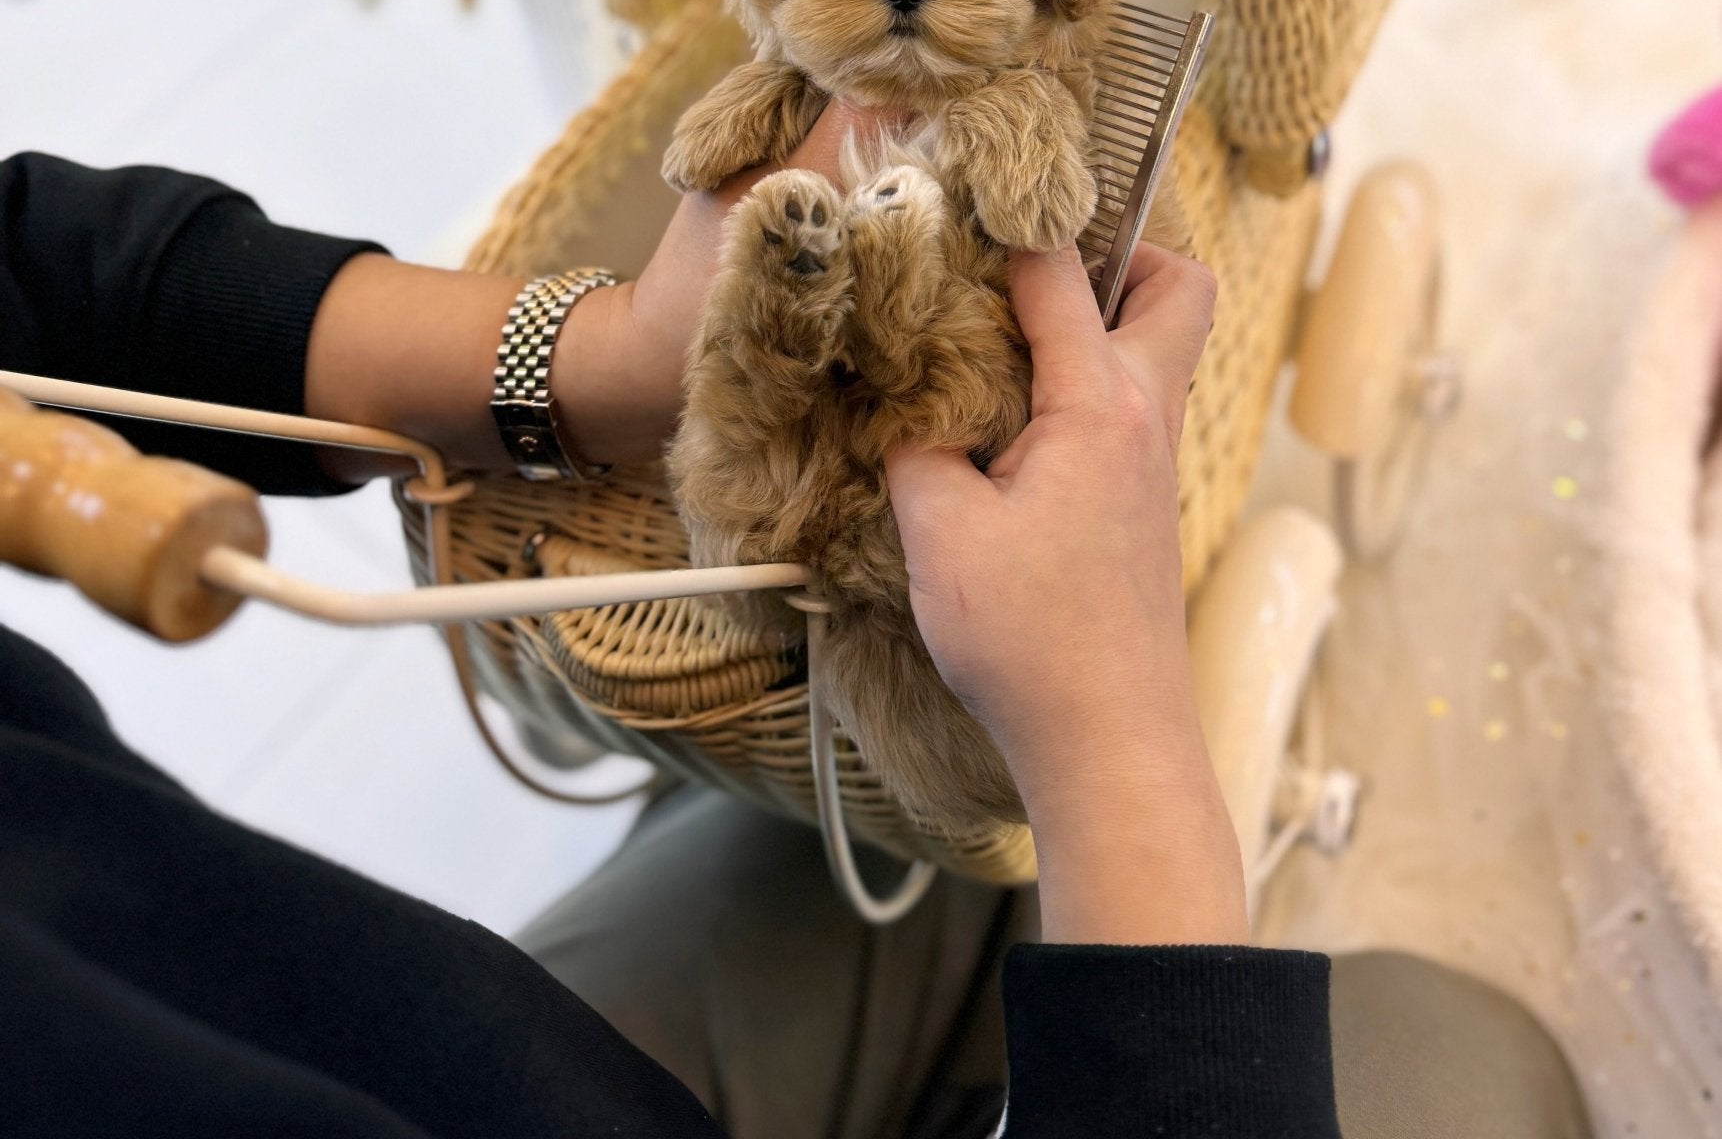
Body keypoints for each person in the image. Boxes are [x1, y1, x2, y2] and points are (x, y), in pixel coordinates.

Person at [0, 126, 1592, 1138]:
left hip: (468, 1060)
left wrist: (601, 351)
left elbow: (38, 261)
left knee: (915, 852)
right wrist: (1117, 741)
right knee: (1445, 1041)